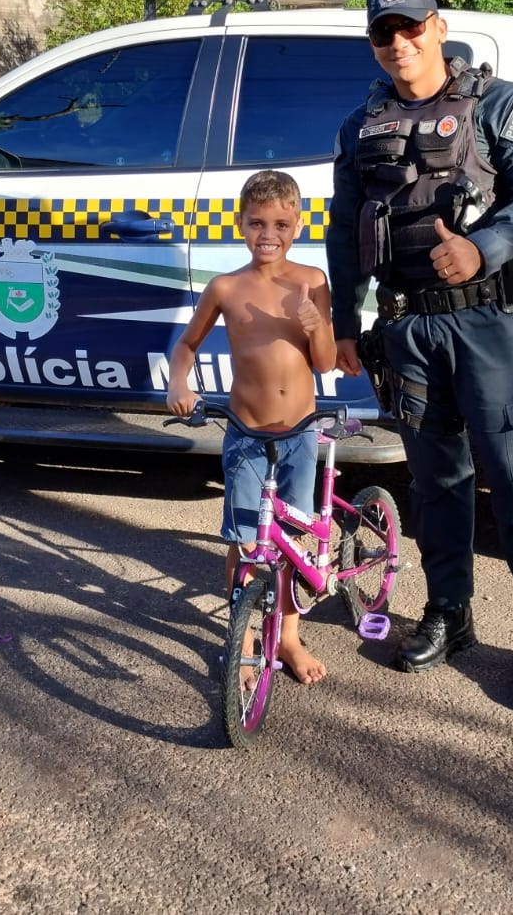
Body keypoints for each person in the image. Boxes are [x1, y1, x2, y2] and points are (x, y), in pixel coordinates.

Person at [326, 0, 513, 718]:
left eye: (410, 27)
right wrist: (344, 323)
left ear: (437, 27)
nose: (398, 43)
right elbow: (344, 228)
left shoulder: (495, 105)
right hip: (407, 330)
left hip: (487, 323)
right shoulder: (360, 127)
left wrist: (483, 247)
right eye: (384, 33)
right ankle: (449, 613)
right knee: (436, 484)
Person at [167, 169, 338, 685]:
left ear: (298, 225)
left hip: (299, 433)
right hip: (245, 433)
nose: (269, 234)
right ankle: (242, 637)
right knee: (245, 540)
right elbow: (187, 345)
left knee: (291, 541)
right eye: (257, 223)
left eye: (281, 224)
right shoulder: (225, 287)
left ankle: (288, 637)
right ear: (241, 224)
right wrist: (179, 382)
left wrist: (317, 326)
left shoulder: (312, 281)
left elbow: (325, 362)